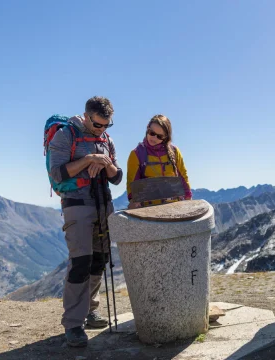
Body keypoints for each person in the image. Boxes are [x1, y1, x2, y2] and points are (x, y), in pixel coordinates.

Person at [48, 96, 123, 347]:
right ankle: (73, 324)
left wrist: (105, 162)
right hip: (77, 205)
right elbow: (56, 173)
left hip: (104, 204)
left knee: (99, 260)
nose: (102, 129)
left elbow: (117, 178)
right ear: (86, 115)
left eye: (107, 125)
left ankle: (90, 310)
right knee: (80, 262)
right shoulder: (65, 136)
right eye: (99, 124)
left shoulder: (106, 140)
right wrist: (89, 159)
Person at [126, 114, 192, 208]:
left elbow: (183, 176)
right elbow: (132, 182)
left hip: (175, 207)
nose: (154, 138)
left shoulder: (175, 152)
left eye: (159, 136)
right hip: (149, 210)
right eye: (151, 133)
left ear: (166, 137)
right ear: (147, 128)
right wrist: (133, 200)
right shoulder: (136, 154)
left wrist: (188, 198)